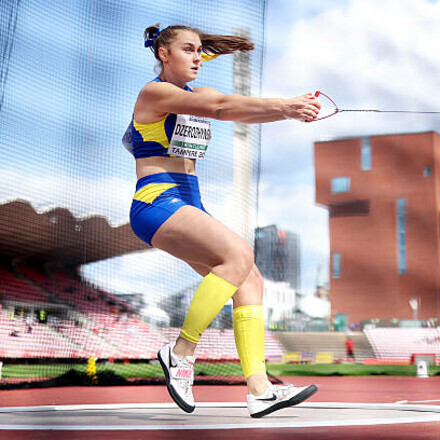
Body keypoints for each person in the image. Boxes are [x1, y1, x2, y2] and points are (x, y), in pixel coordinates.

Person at [123, 24, 320, 417]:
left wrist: (287, 113)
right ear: (163, 54)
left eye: (200, 50)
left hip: (188, 204)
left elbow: (231, 107)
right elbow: (221, 108)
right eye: (188, 49)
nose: (197, 57)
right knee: (239, 254)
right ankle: (181, 352)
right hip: (156, 201)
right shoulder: (154, 93)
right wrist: (286, 105)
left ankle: (260, 390)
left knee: (250, 280)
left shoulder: (195, 96)